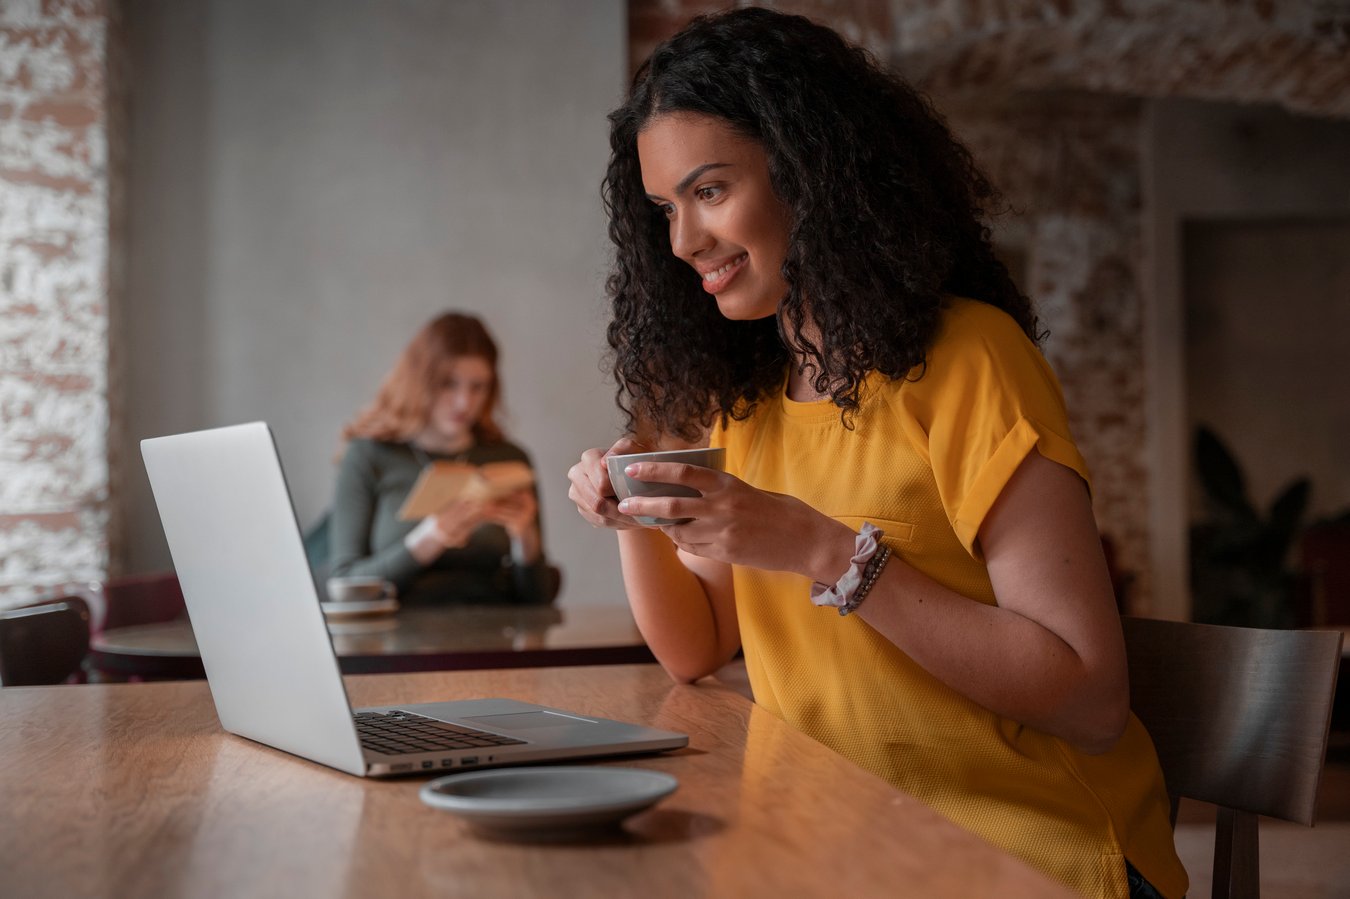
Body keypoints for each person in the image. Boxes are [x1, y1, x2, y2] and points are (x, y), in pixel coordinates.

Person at [566, 9, 1185, 898]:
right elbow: (696, 648)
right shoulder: (751, 399)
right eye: (666, 209)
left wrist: (826, 551)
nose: (683, 241)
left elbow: (1090, 701)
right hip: (838, 848)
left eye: (710, 191)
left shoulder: (972, 359)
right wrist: (634, 516)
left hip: (1029, 853)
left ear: (810, 171)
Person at [330, 311, 553, 605]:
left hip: (494, 623)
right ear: (419, 381)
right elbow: (345, 586)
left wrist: (524, 536)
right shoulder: (369, 455)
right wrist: (431, 537)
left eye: (478, 387)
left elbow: (539, 600)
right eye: (449, 384)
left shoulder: (509, 459)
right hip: (399, 627)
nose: (464, 402)